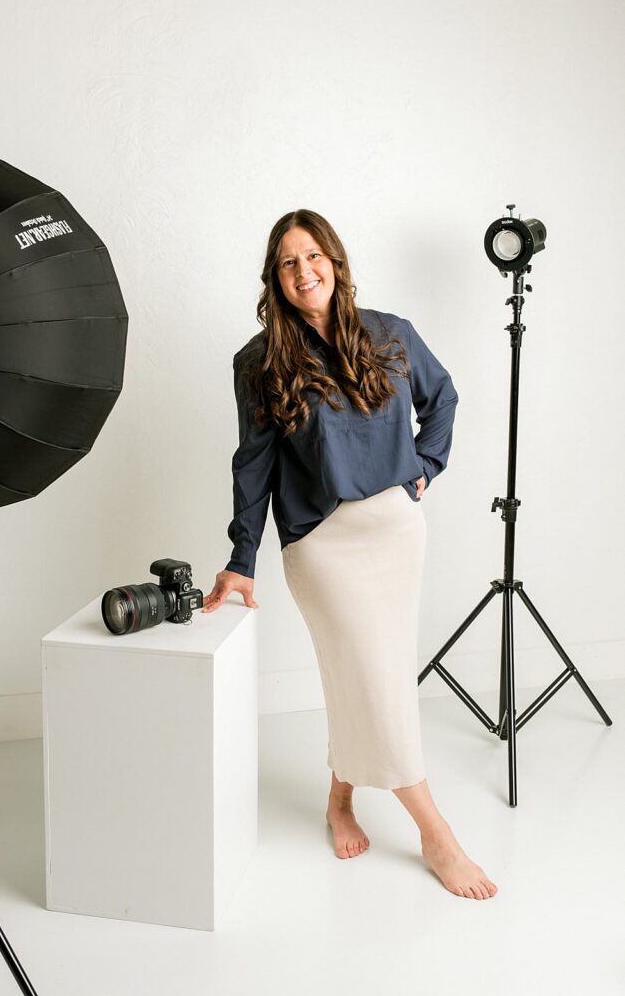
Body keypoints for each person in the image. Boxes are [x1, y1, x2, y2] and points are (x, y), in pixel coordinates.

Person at [203, 210, 498, 900]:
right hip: (322, 544)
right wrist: (242, 558)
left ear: (334, 261)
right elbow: (254, 464)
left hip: (395, 531)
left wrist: (427, 464)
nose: (303, 271)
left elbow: (443, 397)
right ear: (275, 279)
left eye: (313, 256)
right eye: (288, 262)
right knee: (372, 678)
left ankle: (340, 800)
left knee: (371, 678)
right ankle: (436, 832)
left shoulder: (391, 334)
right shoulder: (258, 362)